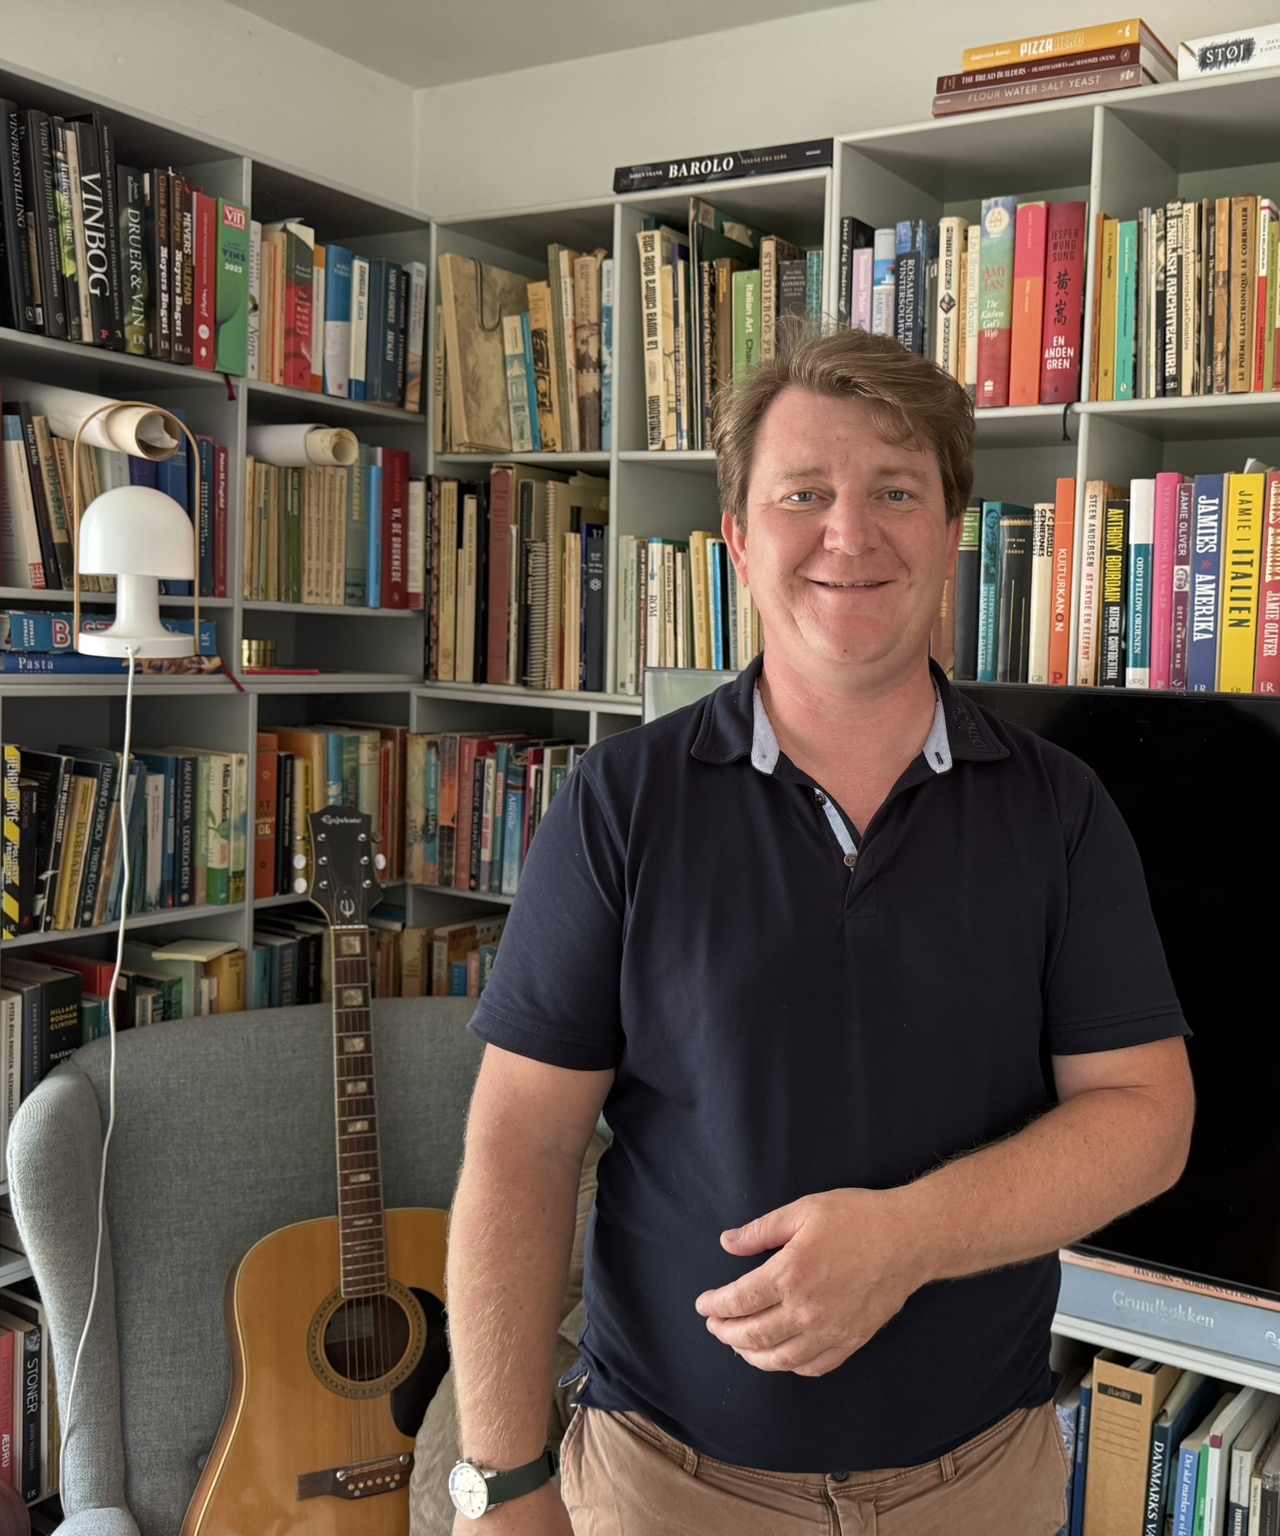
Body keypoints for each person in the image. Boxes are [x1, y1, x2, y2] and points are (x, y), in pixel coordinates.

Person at [445, 327, 1196, 1535]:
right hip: (664, 1487)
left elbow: (1146, 1121)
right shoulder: (618, 803)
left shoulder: (1061, 810)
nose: (849, 534)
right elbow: (521, 1147)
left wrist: (906, 1238)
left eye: (894, 491)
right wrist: (499, 1477)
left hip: (980, 1485)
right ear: (739, 540)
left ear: (950, 533)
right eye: (802, 494)